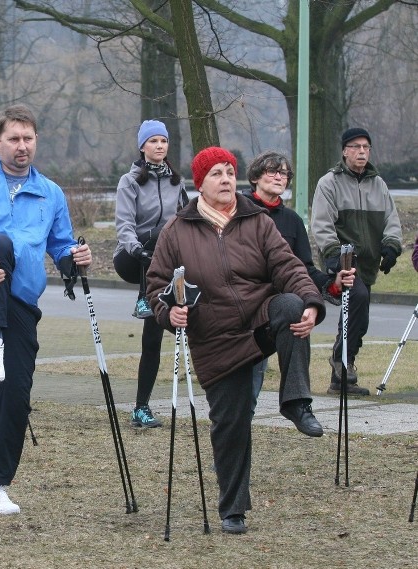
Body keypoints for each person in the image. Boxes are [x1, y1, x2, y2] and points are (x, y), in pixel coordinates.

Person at [146, 146, 327, 535]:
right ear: (200, 184)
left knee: (292, 305)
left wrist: (312, 302)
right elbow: (157, 287)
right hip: (216, 340)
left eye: (230, 172)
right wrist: (168, 312)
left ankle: (296, 403)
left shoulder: (257, 220)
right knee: (230, 425)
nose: (226, 179)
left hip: (260, 320)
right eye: (216, 174)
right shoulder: (176, 231)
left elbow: (287, 265)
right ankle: (233, 509)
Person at [0, 105, 92, 514]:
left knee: (17, 395)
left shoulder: (51, 192)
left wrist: (75, 258)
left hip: (19, 303)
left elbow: (60, 247)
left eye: (28, 138)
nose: (22, 146)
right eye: (13, 138)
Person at [243, 151, 354, 405]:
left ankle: (296, 404)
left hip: (277, 311)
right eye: (272, 171)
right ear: (255, 176)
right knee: (239, 394)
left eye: (284, 173)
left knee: (250, 394)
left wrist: (333, 283)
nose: (279, 177)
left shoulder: (291, 220)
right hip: (241, 309)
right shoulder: (240, 209)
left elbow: (304, 268)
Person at [311, 127, 402, 396]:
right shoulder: (329, 183)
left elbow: (391, 221)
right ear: (344, 151)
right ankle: (341, 362)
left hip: (370, 262)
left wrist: (391, 246)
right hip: (344, 261)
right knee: (357, 300)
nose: (361, 151)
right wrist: (333, 256)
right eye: (355, 146)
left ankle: (339, 378)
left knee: (358, 320)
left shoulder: (379, 184)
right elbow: (322, 224)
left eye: (366, 147)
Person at [113, 119, 187, 428]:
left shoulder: (176, 182)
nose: (159, 146)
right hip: (133, 258)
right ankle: (143, 298)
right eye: (153, 141)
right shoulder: (129, 182)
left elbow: (186, 219)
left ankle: (140, 408)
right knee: (160, 232)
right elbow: (124, 225)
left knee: (153, 337)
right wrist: (137, 249)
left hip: (163, 264)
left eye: (164, 141)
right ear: (142, 146)